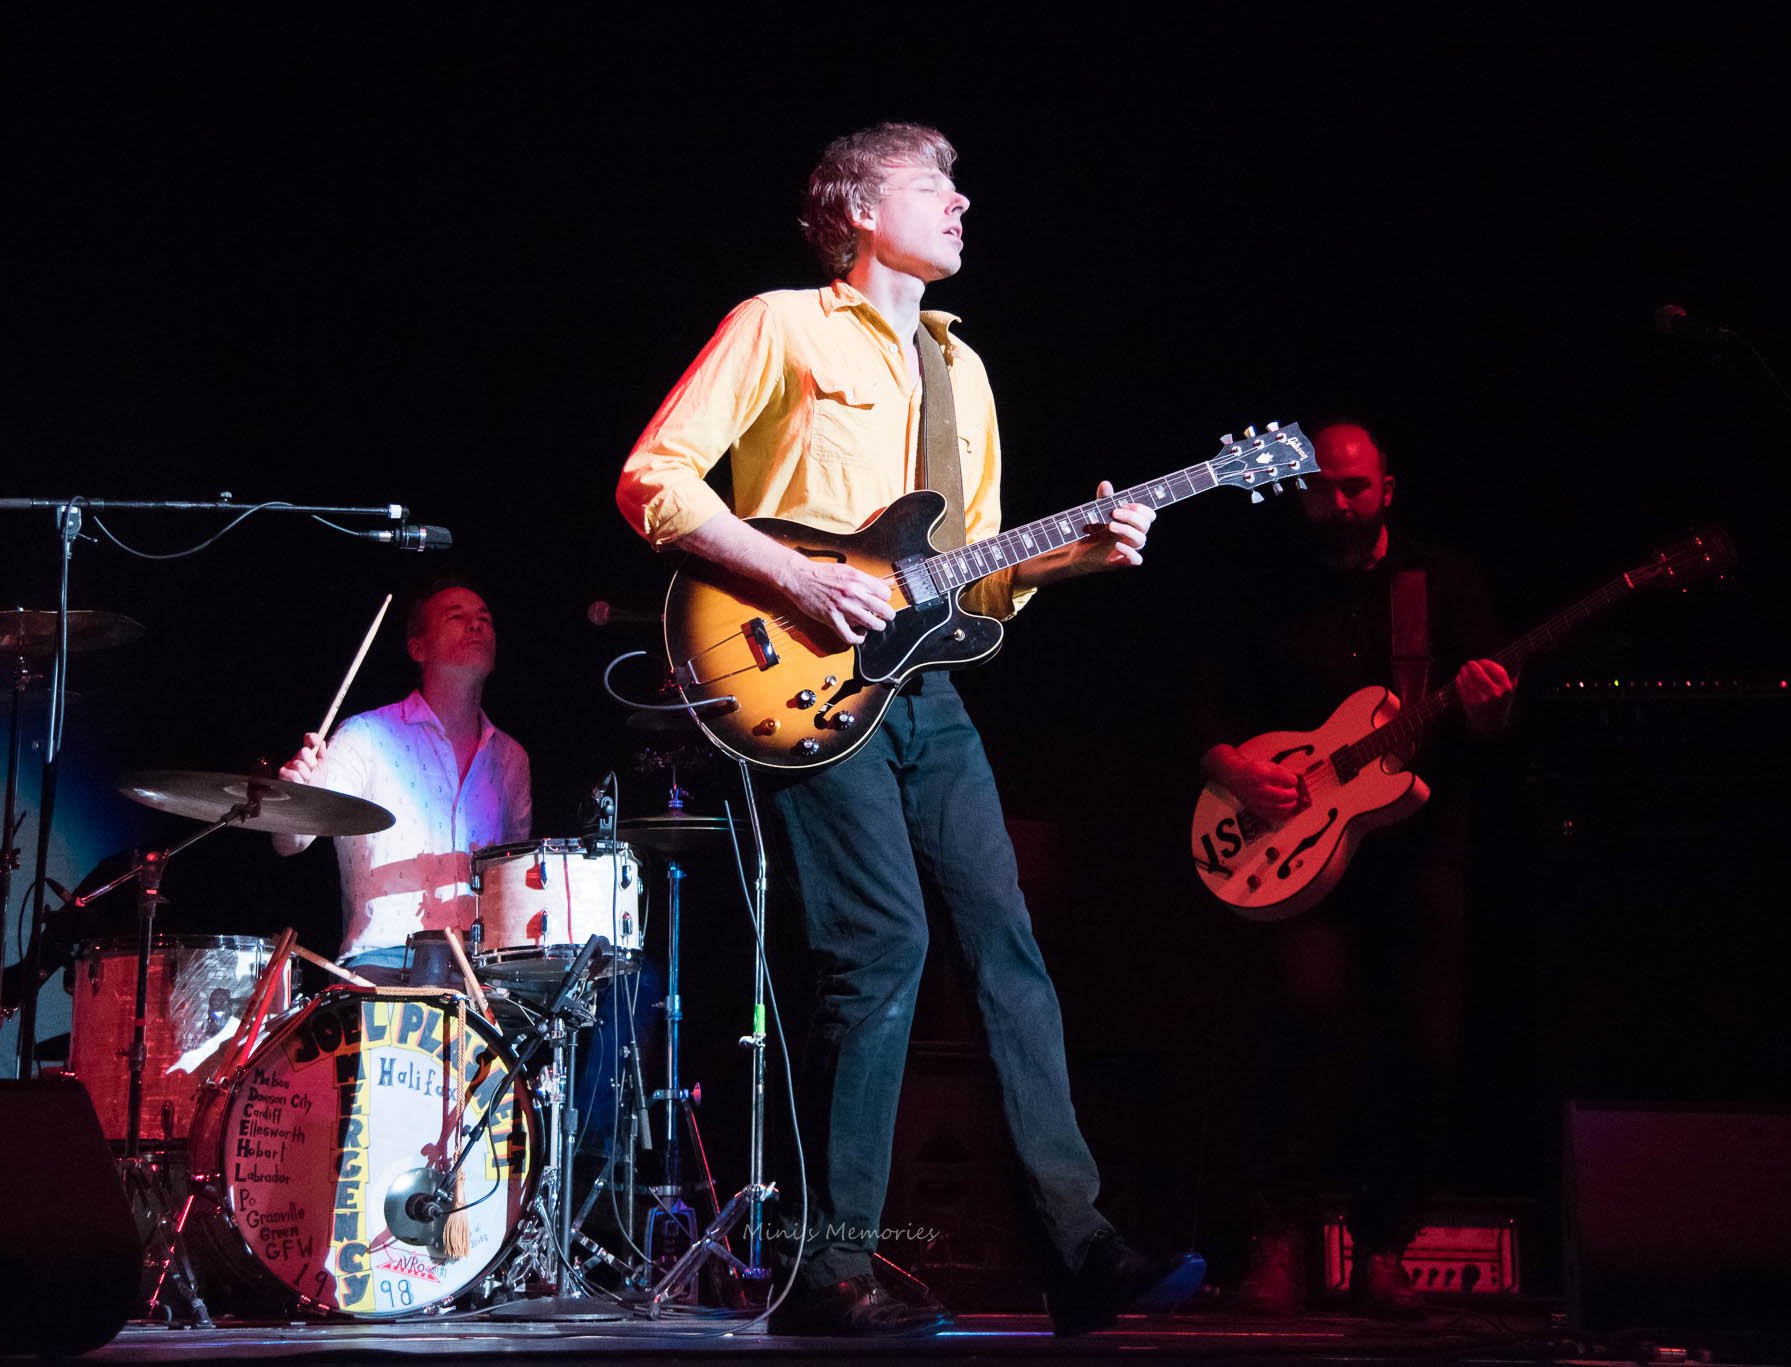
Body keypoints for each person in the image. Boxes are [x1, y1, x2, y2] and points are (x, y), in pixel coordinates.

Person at [616, 122, 1175, 1337]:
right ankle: (825, 1273)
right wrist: (796, 576)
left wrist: (1073, 556)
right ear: (859, 209)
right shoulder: (780, 323)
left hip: (925, 691)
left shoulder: (961, 369)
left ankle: (1076, 1249)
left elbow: (973, 582)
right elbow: (654, 480)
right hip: (797, 675)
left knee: (1006, 942)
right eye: (935, 185)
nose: (962, 204)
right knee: (879, 946)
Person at [1184, 421, 1513, 1317]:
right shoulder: (1264, 587)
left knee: (1425, 1048)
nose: (1339, 503)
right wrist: (1233, 768)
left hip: (1422, 842)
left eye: (1355, 487)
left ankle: (1385, 1246)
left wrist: (1488, 709)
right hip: (1297, 848)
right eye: (1322, 487)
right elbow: (1200, 702)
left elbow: (1490, 720)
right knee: (1305, 1019)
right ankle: (1275, 1240)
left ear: (1387, 490)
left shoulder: (1440, 580)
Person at [273, 579, 531, 981]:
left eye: (485, 619)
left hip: (480, 970)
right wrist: (293, 795)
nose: (476, 625)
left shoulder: (512, 758)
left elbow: (513, 874)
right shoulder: (364, 735)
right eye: (457, 617)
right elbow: (289, 842)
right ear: (418, 648)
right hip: (384, 963)